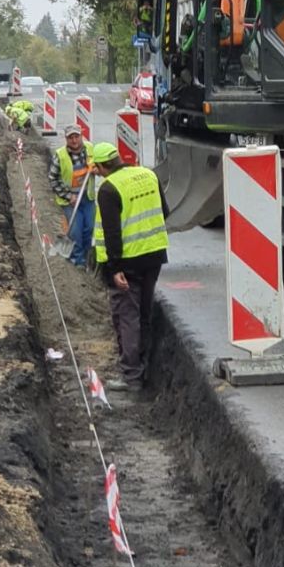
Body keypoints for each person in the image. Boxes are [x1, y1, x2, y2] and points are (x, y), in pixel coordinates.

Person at [91, 142, 169, 388]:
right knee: (144, 312)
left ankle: (131, 375)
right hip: (155, 255)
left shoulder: (108, 189)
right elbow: (163, 212)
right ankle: (145, 364)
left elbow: (112, 234)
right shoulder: (148, 174)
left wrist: (114, 269)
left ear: (102, 166)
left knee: (127, 316)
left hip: (128, 262)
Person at [48, 125, 95, 268]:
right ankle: (77, 260)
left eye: (76, 137)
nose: (74, 140)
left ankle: (86, 258)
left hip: (87, 197)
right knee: (75, 231)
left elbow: (100, 166)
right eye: (70, 138)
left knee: (89, 228)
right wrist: (69, 196)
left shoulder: (90, 149)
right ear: (66, 139)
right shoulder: (60, 155)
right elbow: (52, 178)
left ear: (81, 136)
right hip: (70, 201)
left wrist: (96, 169)